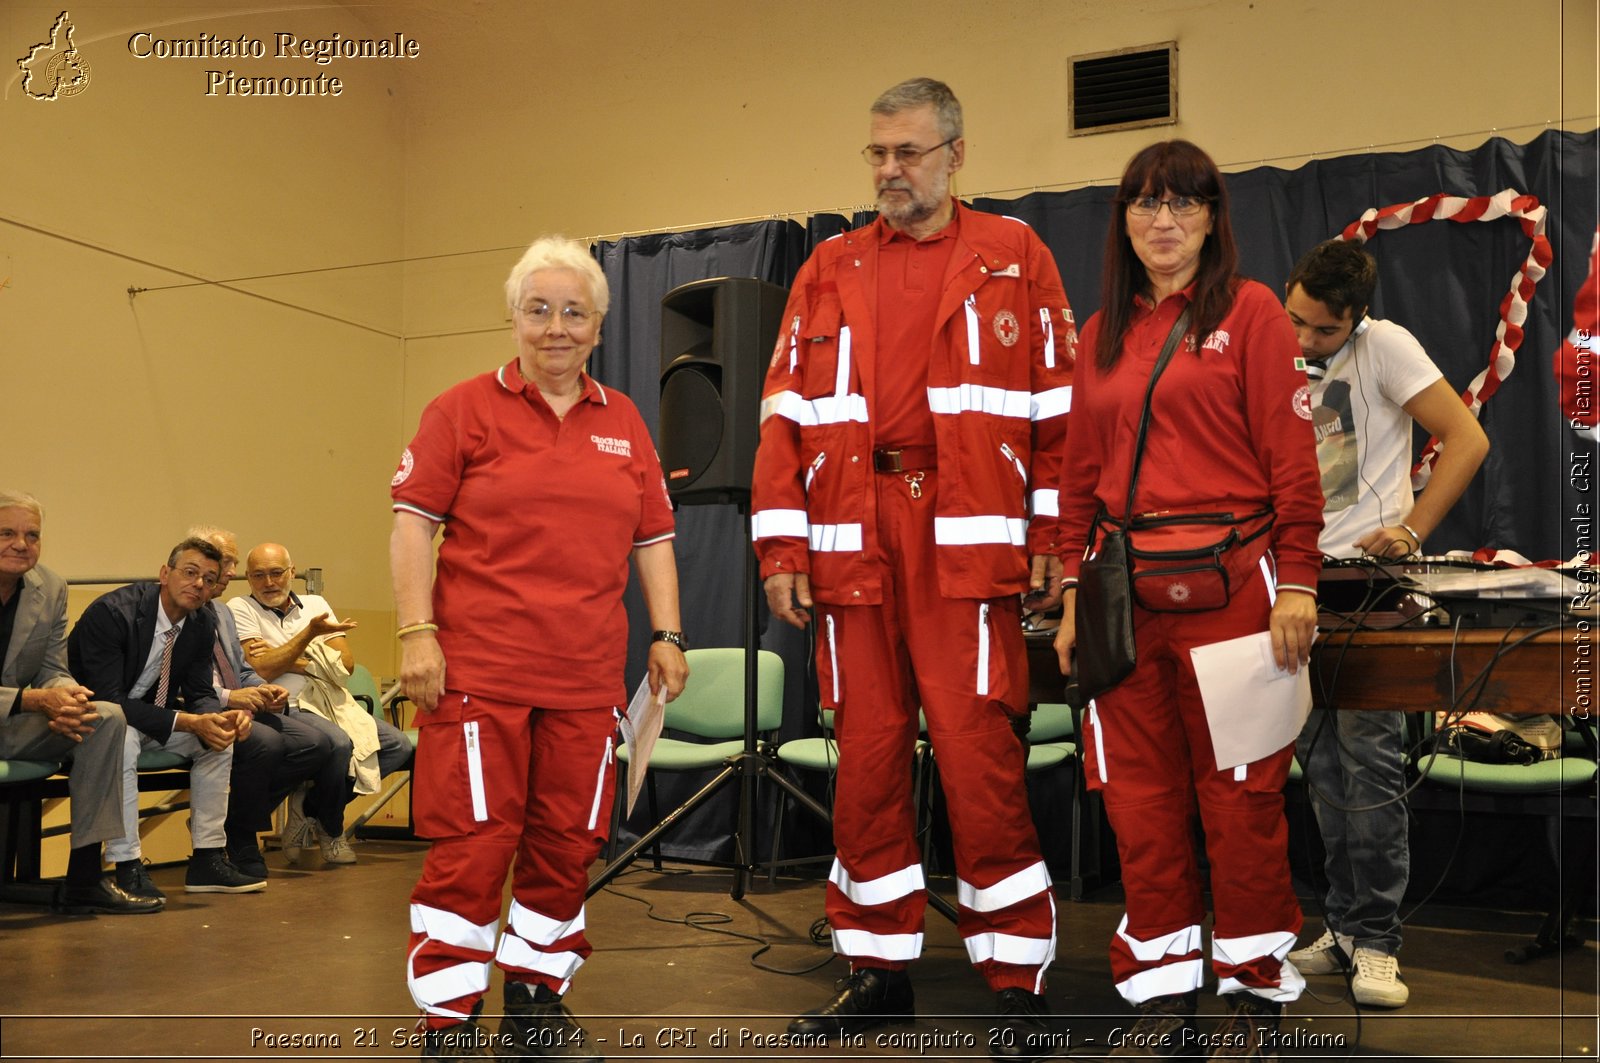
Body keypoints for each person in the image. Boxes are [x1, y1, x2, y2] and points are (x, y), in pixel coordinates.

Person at [750, 77, 1075, 1061]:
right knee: (870, 762)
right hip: (853, 540)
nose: (890, 172)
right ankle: (875, 970)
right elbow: (783, 414)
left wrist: (1053, 537)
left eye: (909, 153)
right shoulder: (827, 264)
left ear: (955, 153)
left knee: (981, 763)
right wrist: (781, 544)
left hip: (970, 535)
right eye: (877, 154)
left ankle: (1016, 978)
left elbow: (1060, 413)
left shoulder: (1014, 255)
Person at [1051, 140, 1323, 1058]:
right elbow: (1079, 479)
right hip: (1125, 596)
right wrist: (1070, 596)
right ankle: (1164, 989)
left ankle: (1252, 986)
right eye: (1144, 205)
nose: (1162, 222)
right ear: (1124, 220)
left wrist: (1300, 585)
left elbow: (1294, 471)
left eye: (1183, 205)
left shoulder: (1252, 316)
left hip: (1238, 595)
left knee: (1241, 797)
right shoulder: (1099, 333)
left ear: (1213, 218)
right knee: (1140, 799)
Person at [390, 234, 689, 1061]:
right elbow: (413, 524)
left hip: (587, 679)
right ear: (514, 318)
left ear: (598, 325)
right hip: (479, 672)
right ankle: (449, 1018)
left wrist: (666, 631)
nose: (555, 327)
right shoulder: (460, 410)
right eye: (539, 310)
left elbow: (655, 535)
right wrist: (417, 632)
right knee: (476, 844)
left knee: (566, 842)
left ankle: (536, 995)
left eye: (574, 313)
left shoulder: (624, 419)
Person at [1283, 239, 1489, 1008]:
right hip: (1295, 587)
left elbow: (1468, 438)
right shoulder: (1273, 349)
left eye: (1322, 332)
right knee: (1322, 773)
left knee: (1368, 774)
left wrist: (1411, 530)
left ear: (1355, 322)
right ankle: (1339, 926)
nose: (1305, 342)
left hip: (1368, 590)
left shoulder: (1386, 346)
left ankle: (1378, 941)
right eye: (1296, 321)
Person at [67, 536, 265, 895]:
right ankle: (127, 866)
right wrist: (190, 721)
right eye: (190, 572)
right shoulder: (113, 613)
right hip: (92, 721)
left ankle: (208, 858)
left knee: (218, 741)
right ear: (164, 573)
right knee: (122, 738)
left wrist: (218, 718)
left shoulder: (202, 623)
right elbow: (109, 700)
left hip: (149, 717)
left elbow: (202, 692)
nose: (198, 584)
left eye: (208, 578)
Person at [0, 491, 147, 914]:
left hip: (17, 722)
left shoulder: (50, 586)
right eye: (7, 533)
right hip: (20, 710)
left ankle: (85, 878)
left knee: (104, 716)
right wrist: (33, 700)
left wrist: (65, 695)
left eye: (32, 534)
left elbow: (51, 666)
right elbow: (32, 694)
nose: (21, 544)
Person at [230, 541, 413, 865]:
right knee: (339, 744)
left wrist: (283, 655)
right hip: (286, 705)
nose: (269, 582)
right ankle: (332, 829)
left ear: (291, 571)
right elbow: (261, 669)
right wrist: (311, 645)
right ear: (248, 577)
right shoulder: (241, 607)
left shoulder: (314, 603)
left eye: (276, 573)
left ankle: (310, 807)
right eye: (259, 575)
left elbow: (344, 665)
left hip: (330, 701)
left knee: (397, 746)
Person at [189, 525, 351, 877]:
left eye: (231, 564)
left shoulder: (219, 613)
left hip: (293, 701)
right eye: (230, 565)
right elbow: (242, 670)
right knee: (293, 743)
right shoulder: (225, 607)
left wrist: (264, 687)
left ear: (292, 573)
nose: (228, 573)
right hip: (204, 708)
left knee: (320, 745)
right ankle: (241, 835)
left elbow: (344, 667)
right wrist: (241, 691)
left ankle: (269, 817)